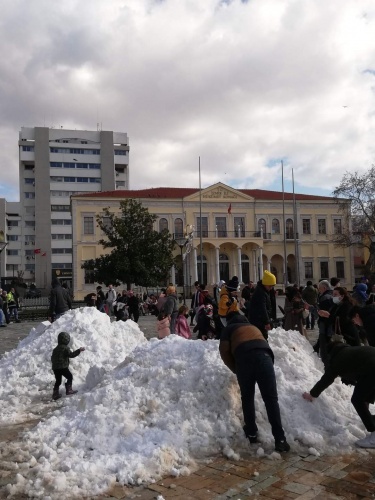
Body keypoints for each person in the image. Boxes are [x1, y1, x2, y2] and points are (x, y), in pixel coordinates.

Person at [219, 313, 290, 452]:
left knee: (247, 397)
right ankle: (280, 439)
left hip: (244, 359)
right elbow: (264, 345)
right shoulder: (252, 327)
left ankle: (251, 432)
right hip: (265, 358)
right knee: (271, 400)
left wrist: (235, 368)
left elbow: (224, 350)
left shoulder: (229, 329)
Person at [303, 337, 375, 448]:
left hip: (372, 369)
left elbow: (327, 379)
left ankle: (374, 436)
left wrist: (312, 394)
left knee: (357, 399)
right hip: (371, 367)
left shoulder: (338, 358)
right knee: (363, 397)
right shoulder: (349, 352)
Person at [51, 331, 85, 401]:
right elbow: (71, 355)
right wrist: (79, 350)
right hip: (63, 367)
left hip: (55, 368)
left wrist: (55, 365)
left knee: (58, 381)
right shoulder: (65, 348)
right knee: (69, 377)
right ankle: (69, 390)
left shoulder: (55, 349)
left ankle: (55, 393)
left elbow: (52, 358)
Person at [247, 270, 276, 340]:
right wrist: (267, 322)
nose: (271, 288)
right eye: (270, 286)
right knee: (261, 339)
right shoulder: (261, 293)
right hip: (258, 321)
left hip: (259, 321)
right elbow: (262, 308)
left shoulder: (263, 291)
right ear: (265, 284)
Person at [315, 280, 333, 364]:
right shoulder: (331, 294)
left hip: (325, 322)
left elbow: (322, 311)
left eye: (320, 288)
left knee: (324, 338)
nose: (319, 290)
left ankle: (325, 359)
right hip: (329, 322)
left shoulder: (325, 297)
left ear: (324, 288)